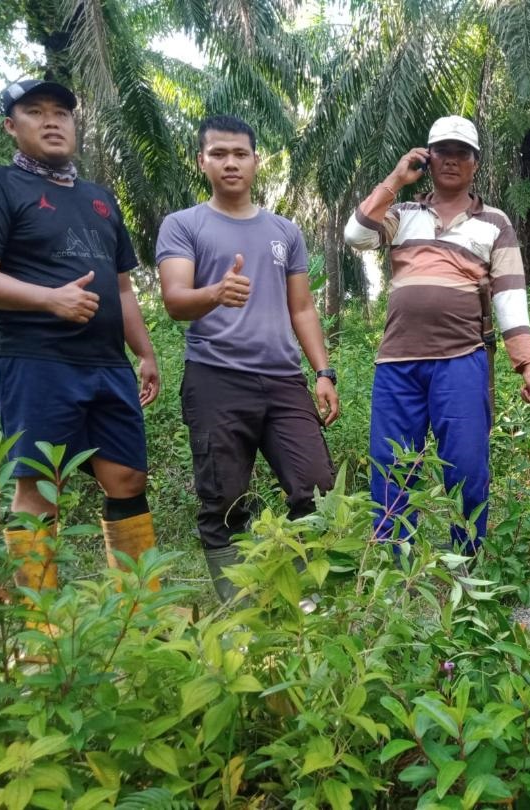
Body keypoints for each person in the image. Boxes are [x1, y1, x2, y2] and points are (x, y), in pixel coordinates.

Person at [0, 79, 161, 596]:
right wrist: (50, 299)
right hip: (36, 360)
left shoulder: (99, 199)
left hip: (107, 364)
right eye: (35, 111)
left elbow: (122, 288)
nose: (52, 120)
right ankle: (41, 623)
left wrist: (146, 351)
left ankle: (140, 612)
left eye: (62, 112)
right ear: (11, 125)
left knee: (128, 479)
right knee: (41, 486)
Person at [156, 115, 338, 602]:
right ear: (202, 161)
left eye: (240, 153)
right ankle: (238, 611)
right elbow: (174, 300)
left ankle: (307, 597)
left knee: (317, 487)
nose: (230, 162)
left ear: (257, 161)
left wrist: (323, 372)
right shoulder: (183, 225)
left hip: (283, 380)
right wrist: (215, 292)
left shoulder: (284, 231)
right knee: (223, 498)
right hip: (216, 377)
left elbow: (301, 306)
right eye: (218, 153)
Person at [344, 115, 530, 558]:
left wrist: (525, 362)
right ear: (427, 158)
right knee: (393, 465)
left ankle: (467, 560)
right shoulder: (402, 214)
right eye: (443, 152)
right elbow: (355, 235)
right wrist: (396, 179)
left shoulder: (494, 223)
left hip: (462, 359)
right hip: (397, 363)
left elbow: (510, 295)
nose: (452, 161)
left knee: (467, 465)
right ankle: (395, 567)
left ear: (475, 163)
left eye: (462, 154)